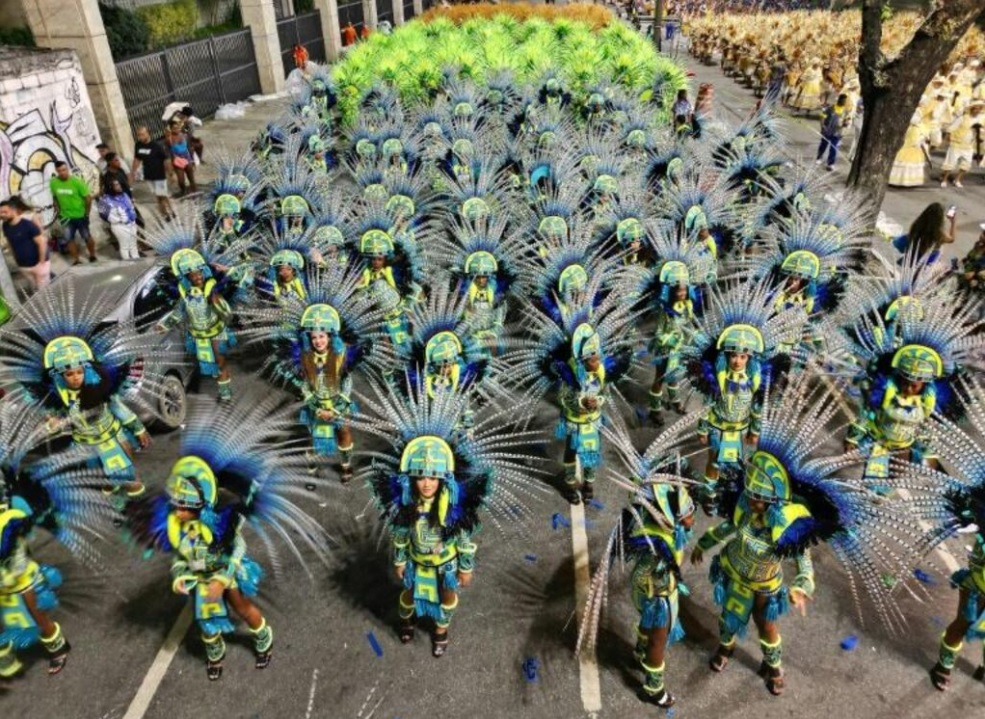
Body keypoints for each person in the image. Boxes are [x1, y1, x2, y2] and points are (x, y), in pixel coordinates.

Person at [49, 161, 96, 265]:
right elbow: (54, 196)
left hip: (80, 216)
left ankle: (92, 255)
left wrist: (87, 214)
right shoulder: (53, 182)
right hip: (65, 217)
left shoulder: (77, 182)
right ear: (56, 171)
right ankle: (76, 260)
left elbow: (88, 199)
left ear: (67, 169)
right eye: (59, 171)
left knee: (87, 237)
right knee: (69, 239)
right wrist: (57, 208)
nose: (62, 173)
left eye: (64, 170)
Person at [0, 196, 50, 292]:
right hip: (24, 264)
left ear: (14, 209)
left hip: (37, 259)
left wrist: (42, 262)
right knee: (34, 288)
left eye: (4, 212)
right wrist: (16, 259)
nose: (2, 215)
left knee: (44, 289)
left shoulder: (28, 221)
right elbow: (11, 243)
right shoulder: (5, 226)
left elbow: (41, 238)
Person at [130, 125, 174, 219]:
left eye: (142, 134)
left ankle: (167, 213)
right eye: (139, 135)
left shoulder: (157, 146)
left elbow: (166, 160)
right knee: (158, 195)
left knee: (161, 195)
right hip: (149, 175)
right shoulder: (138, 145)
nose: (140, 137)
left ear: (148, 134)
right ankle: (168, 211)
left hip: (159, 175)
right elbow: (137, 158)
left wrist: (170, 174)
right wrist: (133, 172)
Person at [941, 99, 985, 188]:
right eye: (975, 108)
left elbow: (982, 133)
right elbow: (951, 128)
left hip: (969, 145)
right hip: (957, 143)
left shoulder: (981, 120)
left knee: (966, 164)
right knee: (951, 162)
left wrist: (980, 134)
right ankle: (944, 179)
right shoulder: (963, 118)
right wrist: (945, 140)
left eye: (979, 109)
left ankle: (957, 180)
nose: (977, 110)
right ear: (972, 109)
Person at [97, 179, 140, 260]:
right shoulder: (105, 200)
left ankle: (137, 260)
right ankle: (128, 263)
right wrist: (117, 220)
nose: (119, 186)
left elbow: (130, 206)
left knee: (133, 244)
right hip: (119, 226)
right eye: (116, 185)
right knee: (125, 246)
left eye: (119, 184)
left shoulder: (124, 195)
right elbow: (103, 215)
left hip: (131, 223)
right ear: (110, 187)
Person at [815, 94, 849, 171]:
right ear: (839, 100)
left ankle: (830, 164)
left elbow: (847, 121)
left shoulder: (845, 111)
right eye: (842, 100)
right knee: (823, 145)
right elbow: (822, 117)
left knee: (833, 148)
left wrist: (845, 124)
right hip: (827, 131)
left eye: (845, 101)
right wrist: (822, 126)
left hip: (837, 133)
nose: (843, 102)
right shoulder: (830, 108)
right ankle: (819, 157)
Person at [165, 121, 198, 196]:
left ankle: (195, 194)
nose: (177, 129)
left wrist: (193, 160)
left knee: (191, 179)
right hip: (177, 161)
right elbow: (167, 153)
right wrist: (170, 167)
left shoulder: (184, 136)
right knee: (181, 181)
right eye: (174, 128)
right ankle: (184, 192)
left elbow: (190, 148)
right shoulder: (169, 140)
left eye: (178, 127)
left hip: (187, 159)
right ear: (171, 129)